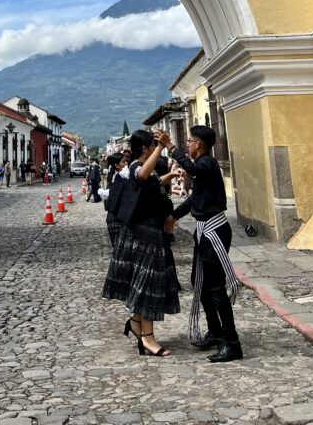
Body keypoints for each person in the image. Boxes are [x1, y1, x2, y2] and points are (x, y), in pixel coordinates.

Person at [163, 125, 242, 363]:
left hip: (214, 230)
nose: (187, 145)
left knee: (216, 287)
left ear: (198, 144)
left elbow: (192, 168)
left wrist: (171, 147)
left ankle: (232, 343)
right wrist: (174, 216)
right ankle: (215, 331)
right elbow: (195, 199)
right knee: (201, 283)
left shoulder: (207, 164)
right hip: (204, 231)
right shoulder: (202, 168)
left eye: (189, 141)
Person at [102, 129, 180, 357]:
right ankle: (147, 337)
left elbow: (153, 182)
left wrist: (171, 175)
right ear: (146, 148)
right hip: (143, 233)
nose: (156, 148)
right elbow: (143, 176)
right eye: (153, 145)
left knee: (146, 280)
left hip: (150, 231)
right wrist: (162, 146)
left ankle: (136, 323)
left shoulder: (143, 168)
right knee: (147, 283)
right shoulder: (137, 166)